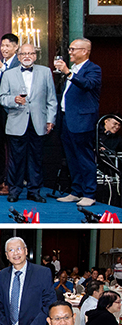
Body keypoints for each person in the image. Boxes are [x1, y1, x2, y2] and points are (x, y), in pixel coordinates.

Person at [0, 43, 57, 203]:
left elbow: (51, 99)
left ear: (35, 56)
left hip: (39, 122)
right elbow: (2, 97)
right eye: (24, 53)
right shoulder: (8, 74)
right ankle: (14, 191)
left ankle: (34, 191)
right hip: (17, 122)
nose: (27, 56)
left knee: (36, 159)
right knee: (15, 160)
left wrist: (50, 119)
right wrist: (14, 100)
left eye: (30, 53)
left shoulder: (45, 72)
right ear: (18, 57)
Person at [55, 38, 102, 207]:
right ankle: (76, 191)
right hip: (67, 118)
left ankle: (89, 193)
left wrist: (68, 73)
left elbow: (87, 85)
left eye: (73, 49)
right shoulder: (74, 68)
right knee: (71, 157)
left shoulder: (93, 69)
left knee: (85, 157)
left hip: (83, 120)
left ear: (85, 51)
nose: (70, 52)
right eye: (70, 49)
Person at [0, 33, 21, 195]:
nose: (4, 49)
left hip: (11, 110)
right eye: (2, 46)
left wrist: (2, 67)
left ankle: (11, 181)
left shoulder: (17, 63)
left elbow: (16, 83)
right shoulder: (1, 64)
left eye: (7, 46)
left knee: (12, 147)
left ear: (16, 47)